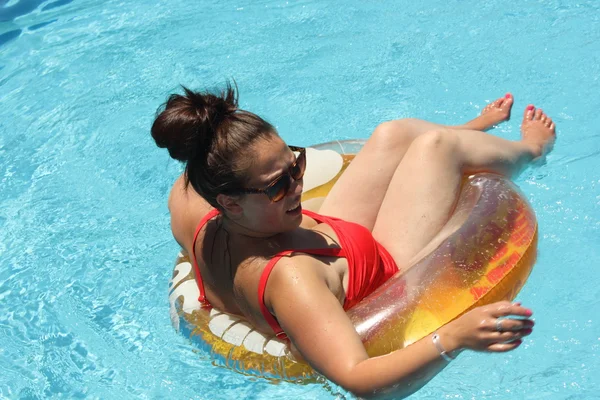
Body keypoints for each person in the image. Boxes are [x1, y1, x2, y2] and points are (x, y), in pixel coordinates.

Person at [151, 84, 555, 398]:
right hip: (380, 267)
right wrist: (453, 337)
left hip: (332, 233)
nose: (298, 187)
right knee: (437, 148)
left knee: (392, 134)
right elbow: (361, 381)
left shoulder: (189, 204)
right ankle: (531, 150)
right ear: (229, 203)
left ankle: (473, 131)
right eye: (277, 186)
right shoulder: (292, 279)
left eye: (296, 165)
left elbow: (200, 163)